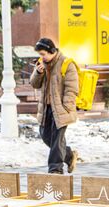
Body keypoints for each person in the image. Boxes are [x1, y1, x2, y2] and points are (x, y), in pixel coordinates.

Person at [30, 38, 79, 174]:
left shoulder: (67, 64)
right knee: (46, 136)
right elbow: (34, 84)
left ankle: (55, 170)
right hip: (46, 109)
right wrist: (38, 73)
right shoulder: (42, 64)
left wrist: (66, 107)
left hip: (61, 109)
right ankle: (69, 156)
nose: (42, 57)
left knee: (57, 140)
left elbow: (72, 88)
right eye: (40, 54)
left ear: (52, 51)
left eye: (43, 54)